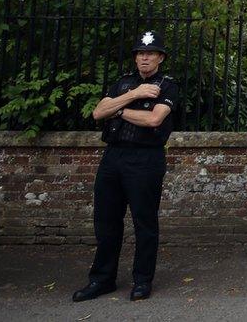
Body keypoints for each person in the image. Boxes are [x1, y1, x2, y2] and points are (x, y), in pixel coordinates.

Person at [72, 30, 179, 302]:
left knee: (144, 222)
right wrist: (134, 95)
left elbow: (154, 120)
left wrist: (118, 109)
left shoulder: (167, 85)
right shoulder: (124, 84)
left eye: (150, 53)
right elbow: (98, 112)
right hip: (113, 156)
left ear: (160, 58)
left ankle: (142, 281)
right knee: (106, 221)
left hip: (145, 159)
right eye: (140, 54)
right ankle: (102, 279)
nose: (144, 58)